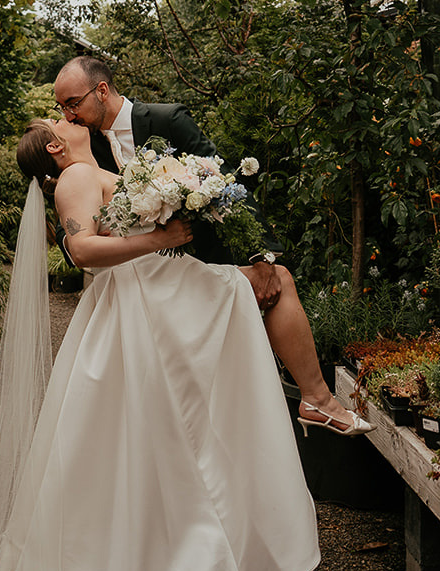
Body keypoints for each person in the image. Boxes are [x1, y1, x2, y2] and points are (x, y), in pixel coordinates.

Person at [0, 117, 363, 571]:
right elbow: (81, 251)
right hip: (149, 298)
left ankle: (218, 539)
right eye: (61, 120)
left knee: (177, 426)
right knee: (271, 292)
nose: (70, 120)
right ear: (55, 146)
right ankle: (314, 402)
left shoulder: (91, 169)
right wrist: (161, 239)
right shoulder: (75, 175)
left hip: (159, 293)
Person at [52, 55, 368, 436]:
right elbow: (73, 221)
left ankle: (312, 403)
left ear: (101, 90)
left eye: (73, 104)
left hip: (195, 263)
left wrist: (261, 255)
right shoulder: (83, 148)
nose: (68, 117)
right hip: (142, 280)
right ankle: (317, 399)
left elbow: (223, 184)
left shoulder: (167, 120)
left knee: (275, 278)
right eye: (62, 108)